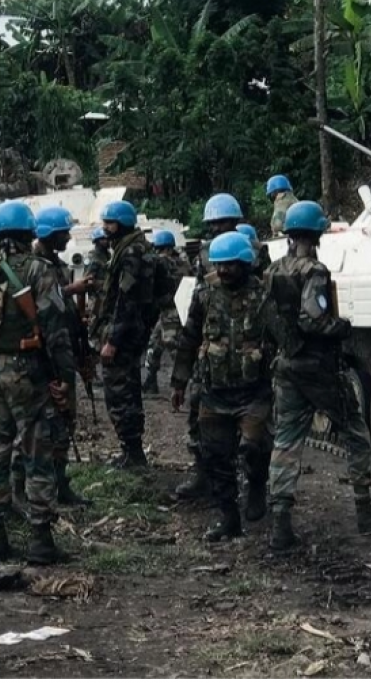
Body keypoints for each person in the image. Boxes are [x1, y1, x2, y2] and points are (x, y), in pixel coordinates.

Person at [264, 201, 371, 550]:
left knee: (286, 442)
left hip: (287, 365)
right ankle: (365, 512)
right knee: (357, 436)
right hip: (319, 368)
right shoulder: (315, 270)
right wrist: (341, 327)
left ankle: (280, 523)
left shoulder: (273, 270)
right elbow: (312, 319)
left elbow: (267, 318)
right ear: (316, 233)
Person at [0, 200, 74, 564]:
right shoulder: (40, 270)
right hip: (27, 374)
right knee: (36, 454)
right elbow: (55, 329)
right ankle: (41, 539)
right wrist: (63, 377)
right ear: (28, 232)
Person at [171, 231, 274, 541]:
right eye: (219, 265)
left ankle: (257, 486)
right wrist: (179, 382)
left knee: (254, 448)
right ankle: (229, 519)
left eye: (230, 264)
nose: (223, 270)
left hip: (254, 392)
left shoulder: (263, 295)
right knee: (216, 457)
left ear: (245, 263)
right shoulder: (205, 295)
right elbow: (190, 338)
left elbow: (280, 337)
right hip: (214, 392)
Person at [176, 193, 245, 500]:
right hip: (211, 342)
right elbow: (196, 302)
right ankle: (204, 474)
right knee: (200, 413)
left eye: (223, 223)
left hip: (246, 344)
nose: (218, 228)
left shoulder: (253, 251)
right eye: (213, 224)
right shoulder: (204, 254)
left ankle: (252, 481)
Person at [31, 206, 93, 506]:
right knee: (51, 423)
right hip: (47, 356)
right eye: (63, 233)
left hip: (65, 347)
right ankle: (47, 486)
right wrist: (71, 290)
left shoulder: (54, 263)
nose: (68, 238)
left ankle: (60, 480)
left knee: (65, 421)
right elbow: (46, 305)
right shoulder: (36, 266)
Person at [91, 199, 157, 468]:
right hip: (134, 330)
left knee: (120, 392)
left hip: (125, 334)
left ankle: (133, 451)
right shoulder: (135, 247)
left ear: (123, 223)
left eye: (110, 223)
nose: (105, 228)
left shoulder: (130, 252)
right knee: (128, 388)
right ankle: (132, 450)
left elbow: (126, 299)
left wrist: (112, 341)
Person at [143, 230, 190, 395]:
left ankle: (185, 385)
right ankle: (150, 381)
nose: (159, 253)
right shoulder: (182, 262)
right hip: (168, 311)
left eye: (161, 249)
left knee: (174, 347)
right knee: (154, 344)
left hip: (173, 311)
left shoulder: (170, 263)